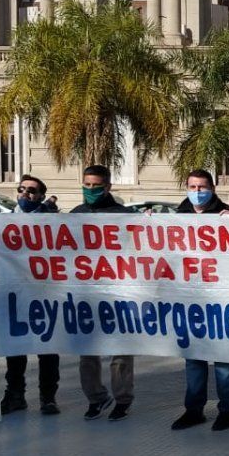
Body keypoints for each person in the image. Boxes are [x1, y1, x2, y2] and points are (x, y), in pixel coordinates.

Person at [170, 170, 229, 432]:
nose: (197, 191)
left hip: (222, 299)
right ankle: (194, 410)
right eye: (192, 186)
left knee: (224, 360)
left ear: (212, 188)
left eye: (202, 187)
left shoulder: (228, 215)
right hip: (190, 300)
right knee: (194, 359)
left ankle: (227, 410)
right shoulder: (177, 217)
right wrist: (148, 223)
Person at [0, 175, 62, 416]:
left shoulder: (53, 222)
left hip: (46, 295)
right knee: (15, 348)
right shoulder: (3, 223)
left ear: (41, 196)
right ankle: (15, 395)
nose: (25, 194)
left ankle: (48, 398)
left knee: (48, 349)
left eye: (32, 191)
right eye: (22, 189)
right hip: (15, 296)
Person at [70, 165, 137, 421]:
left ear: (108, 187)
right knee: (87, 352)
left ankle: (122, 399)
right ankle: (96, 397)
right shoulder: (75, 215)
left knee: (120, 352)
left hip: (119, 293)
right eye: (86, 184)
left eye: (96, 185)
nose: (90, 189)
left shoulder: (124, 215)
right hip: (86, 294)